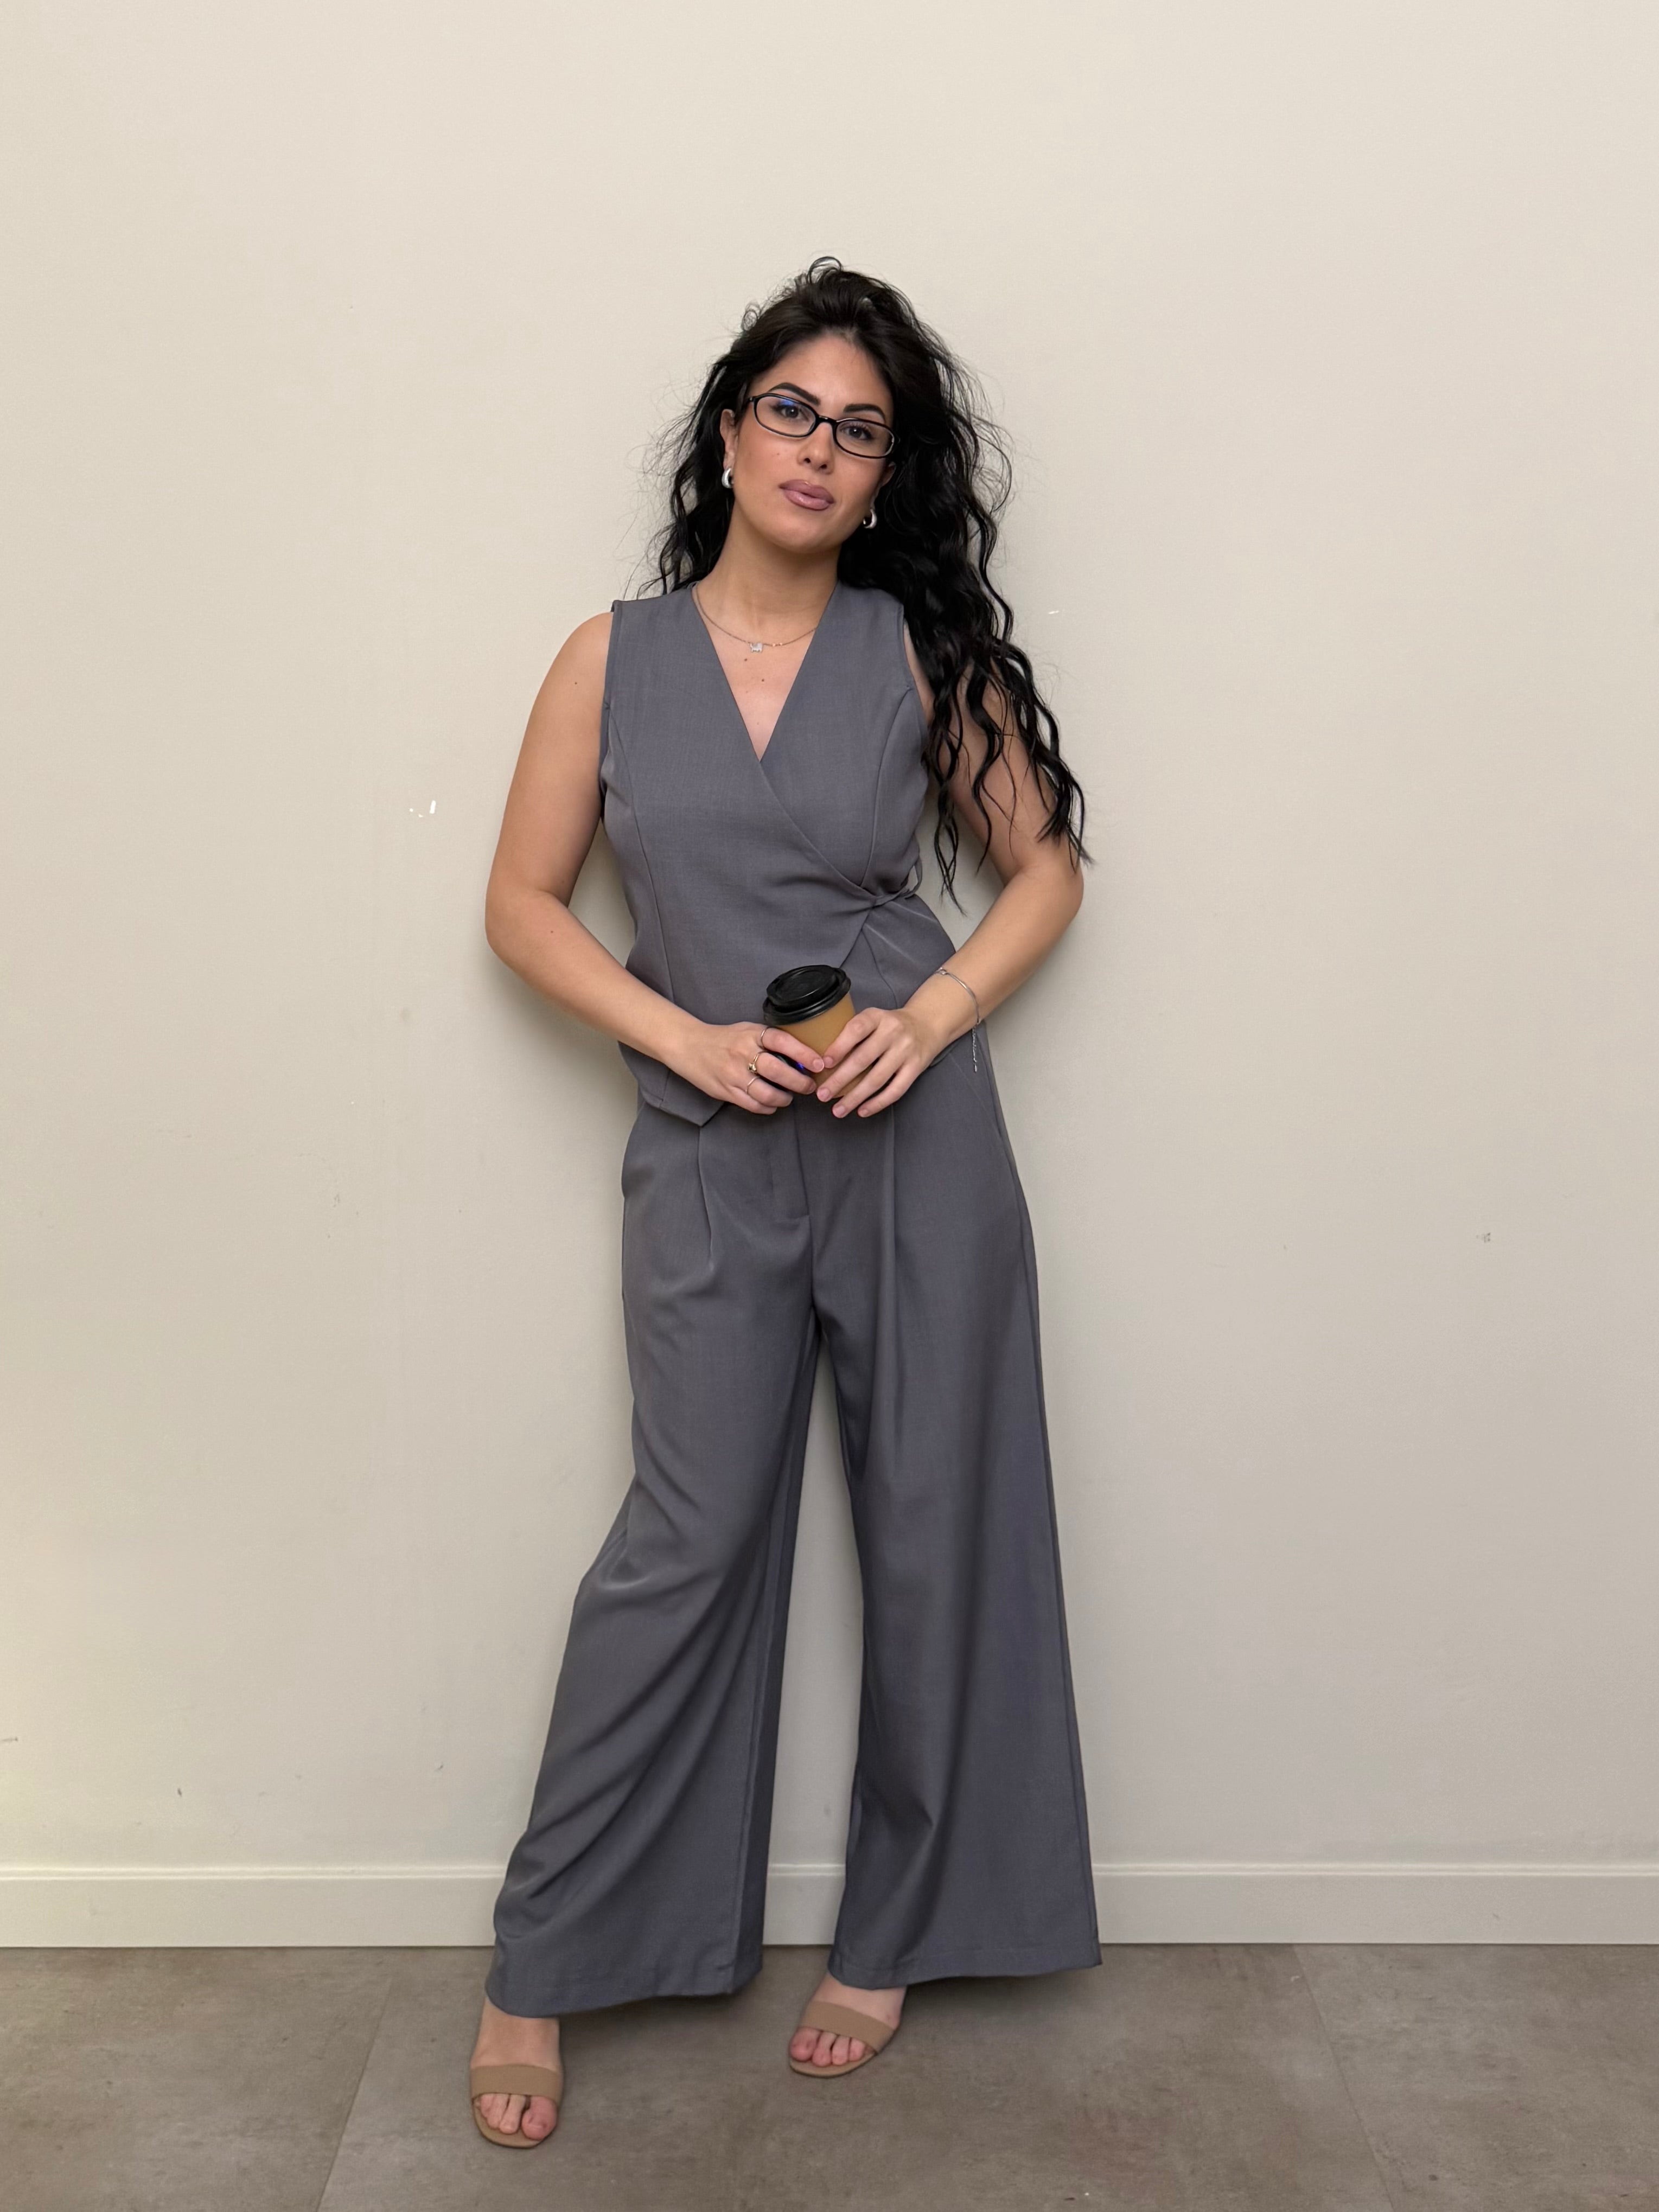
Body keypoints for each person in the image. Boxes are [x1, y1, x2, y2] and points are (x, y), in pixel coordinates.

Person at [468, 257, 1099, 2150]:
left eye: (861, 429)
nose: (820, 449)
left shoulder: (913, 653)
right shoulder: (610, 659)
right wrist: (680, 1034)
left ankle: (893, 1936)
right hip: (708, 1141)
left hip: (912, 1140)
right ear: (731, 431)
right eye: (793, 410)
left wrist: (934, 1015)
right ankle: (546, 1957)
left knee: (936, 1521)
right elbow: (517, 906)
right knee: (684, 1539)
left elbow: (1047, 875)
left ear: (888, 473)